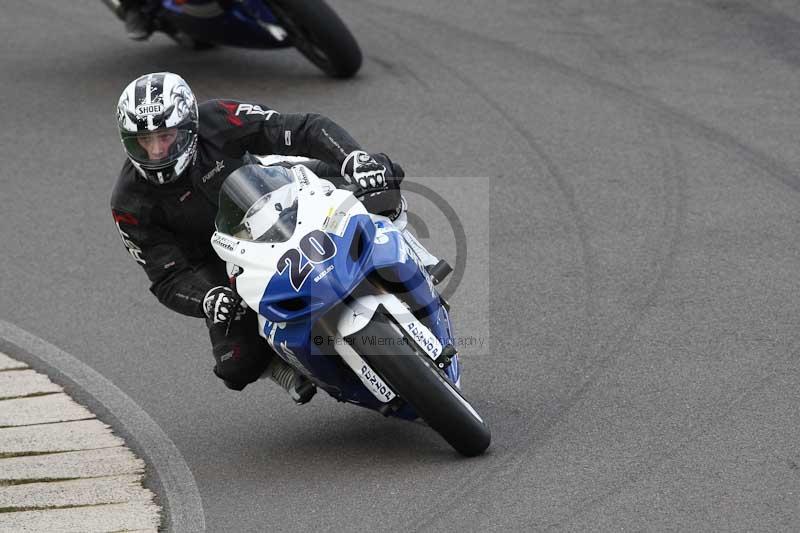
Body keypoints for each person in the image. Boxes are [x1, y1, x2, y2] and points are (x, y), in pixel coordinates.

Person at [110, 71, 413, 401]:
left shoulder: (217, 118)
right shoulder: (129, 203)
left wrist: (352, 156)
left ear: (188, 126)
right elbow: (167, 277)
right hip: (221, 259)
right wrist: (207, 298)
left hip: (276, 199)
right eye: (144, 141)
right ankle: (283, 367)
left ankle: (409, 257)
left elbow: (299, 128)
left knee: (381, 175)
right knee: (235, 365)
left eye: (165, 136)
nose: (156, 151)